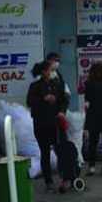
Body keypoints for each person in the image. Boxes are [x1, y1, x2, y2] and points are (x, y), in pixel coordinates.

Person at [27, 59, 69, 192]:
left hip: (56, 123)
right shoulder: (35, 86)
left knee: (62, 150)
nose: (53, 73)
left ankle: (65, 178)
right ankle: (48, 181)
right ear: (44, 72)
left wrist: (62, 112)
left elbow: (64, 100)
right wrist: (43, 99)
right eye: (51, 70)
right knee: (45, 152)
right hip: (41, 123)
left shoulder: (57, 84)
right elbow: (29, 101)